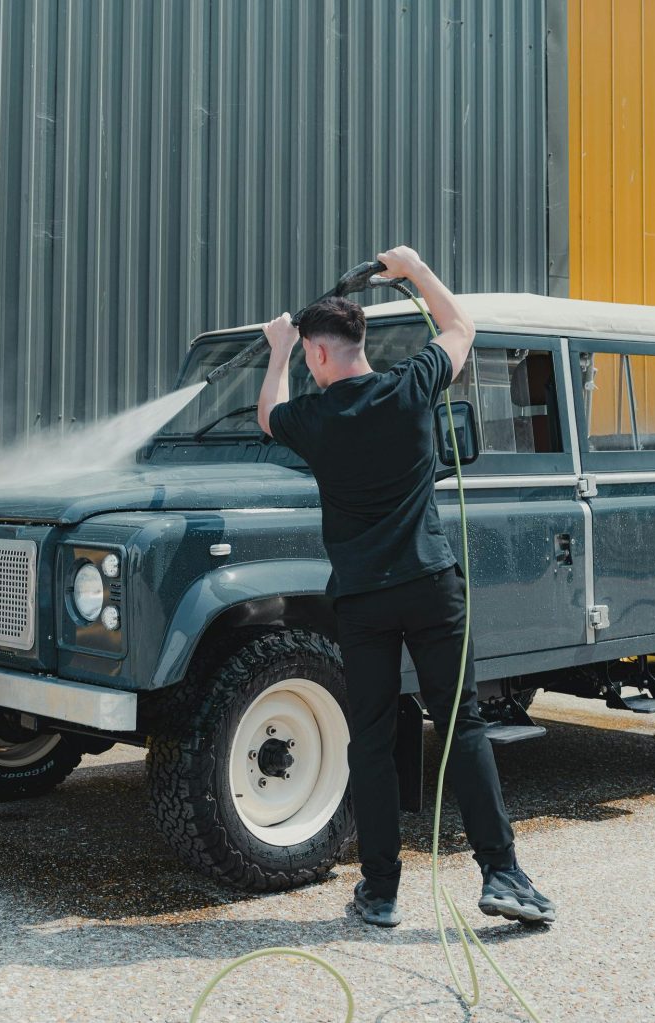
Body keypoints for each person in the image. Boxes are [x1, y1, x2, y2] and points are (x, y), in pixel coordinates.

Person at [257, 245, 555, 928]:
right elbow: (460, 328)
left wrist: (275, 350)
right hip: (428, 583)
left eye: (307, 355)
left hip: (362, 598)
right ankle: (503, 873)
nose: (306, 364)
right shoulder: (410, 383)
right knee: (461, 725)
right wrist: (416, 269)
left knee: (370, 738)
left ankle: (381, 890)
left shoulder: (313, 419)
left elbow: (266, 413)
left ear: (321, 354)